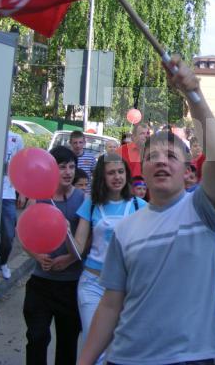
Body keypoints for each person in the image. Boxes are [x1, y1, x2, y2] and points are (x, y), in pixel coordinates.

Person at [78, 55, 215, 365]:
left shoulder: (204, 209)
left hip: (191, 358)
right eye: (153, 156)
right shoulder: (125, 229)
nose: (162, 160)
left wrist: (193, 93)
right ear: (142, 171)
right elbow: (110, 305)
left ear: (190, 172)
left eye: (172, 156)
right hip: (127, 358)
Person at [22, 146, 84, 365]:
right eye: (62, 167)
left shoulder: (83, 200)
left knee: (67, 344)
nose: (68, 172)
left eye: (71, 167)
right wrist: (38, 257)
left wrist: (68, 258)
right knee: (36, 337)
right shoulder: (38, 199)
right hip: (41, 283)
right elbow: (24, 236)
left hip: (70, 285)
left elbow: (87, 242)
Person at [72, 153, 136, 365]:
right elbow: (79, 247)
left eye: (120, 172)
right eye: (111, 173)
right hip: (92, 284)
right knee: (95, 347)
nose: (117, 177)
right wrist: (63, 235)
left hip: (126, 289)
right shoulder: (90, 204)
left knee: (120, 349)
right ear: (102, 177)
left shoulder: (140, 206)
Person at [0, 129, 24, 280]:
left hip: (8, 194)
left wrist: (22, 192)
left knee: (8, 234)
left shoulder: (16, 137)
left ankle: (3, 262)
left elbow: (21, 167)